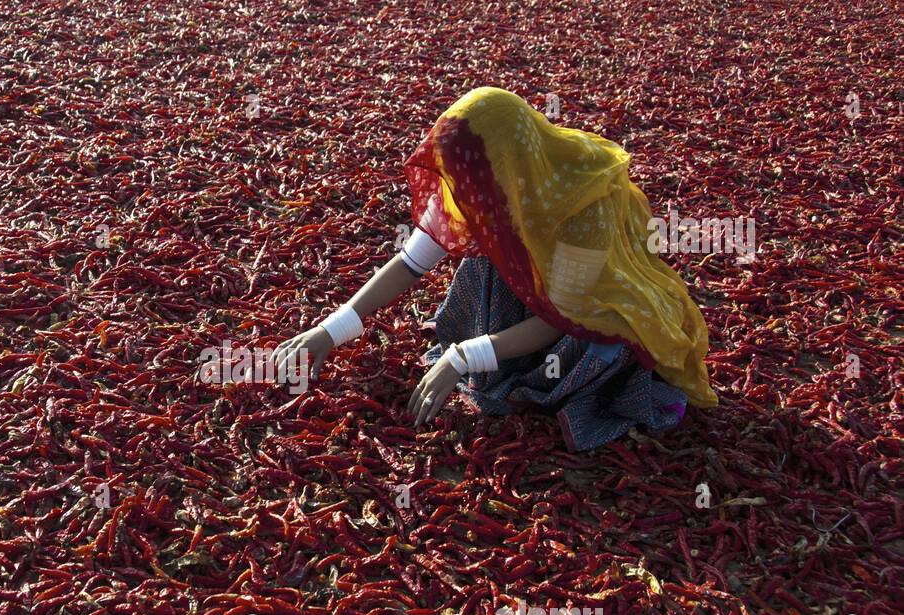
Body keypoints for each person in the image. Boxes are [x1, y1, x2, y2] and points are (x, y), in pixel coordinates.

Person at [272, 87, 717, 451]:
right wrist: (331, 330)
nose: (465, 194)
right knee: (483, 263)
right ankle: (507, 358)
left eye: (473, 181)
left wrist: (463, 355)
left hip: (595, 311)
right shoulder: (486, 184)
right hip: (543, 299)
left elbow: (559, 316)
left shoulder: (585, 204)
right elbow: (410, 263)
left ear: (505, 165)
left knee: (602, 351)